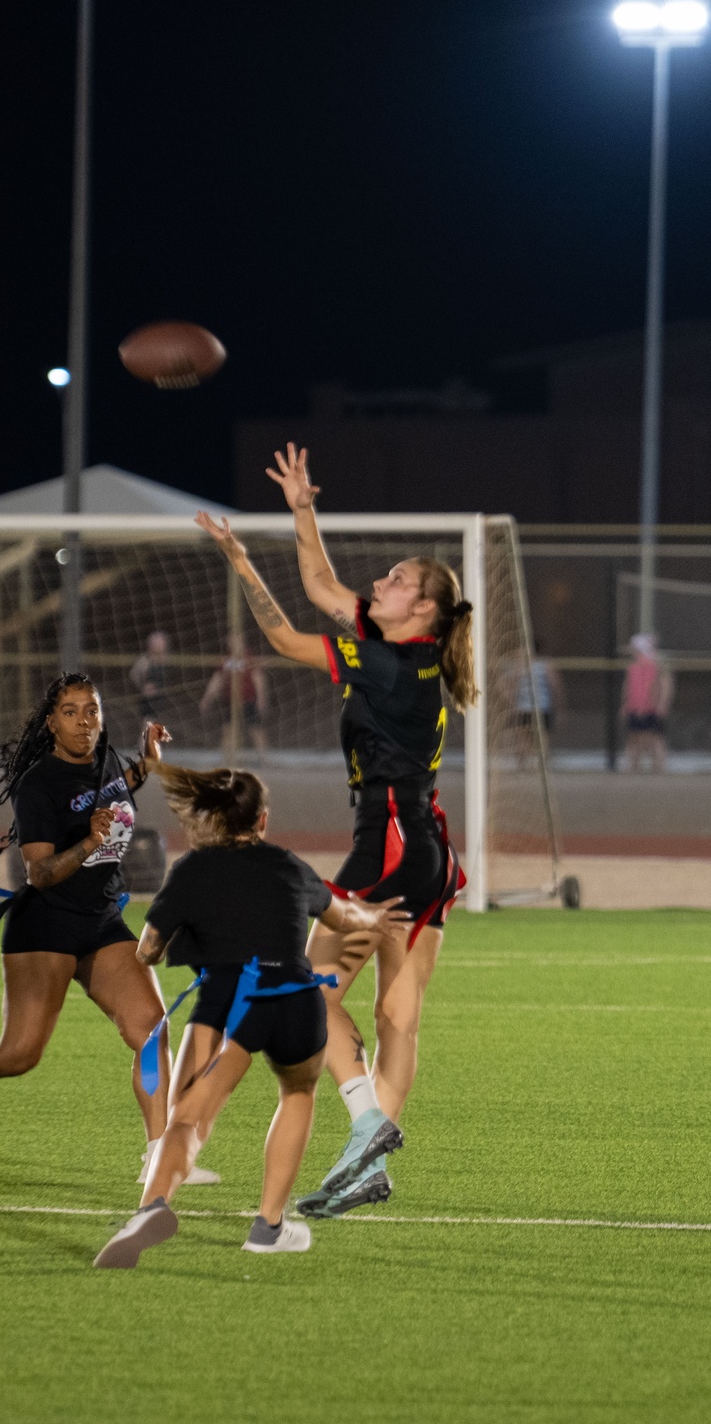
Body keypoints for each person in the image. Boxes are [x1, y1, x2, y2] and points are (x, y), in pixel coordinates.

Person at [194, 440, 478, 1218]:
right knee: (397, 1015)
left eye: (396, 580)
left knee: (298, 986)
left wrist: (241, 561)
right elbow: (320, 584)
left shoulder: (387, 664)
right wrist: (302, 508)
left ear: (421, 607)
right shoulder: (403, 646)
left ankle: (366, 1125)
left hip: (387, 842)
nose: (379, 583)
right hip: (428, 848)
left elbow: (287, 635)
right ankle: (366, 1167)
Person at [0, 671, 216, 1185]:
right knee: (18, 1055)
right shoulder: (38, 784)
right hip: (45, 924)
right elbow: (39, 872)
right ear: (52, 723)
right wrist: (88, 844)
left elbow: (125, 783)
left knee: (151, 1030)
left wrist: (148, 759)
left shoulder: (107, 761)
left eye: (92, 711)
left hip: (100, 919)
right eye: (72, 712)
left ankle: (159, 1156)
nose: (84, 722)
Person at [93, 763, 410, 1268]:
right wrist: (374, 917)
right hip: (295, 995)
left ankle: (152, 1207)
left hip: (228, 998)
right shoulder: (288, 864)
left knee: (189, 1118)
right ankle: (268, 1226)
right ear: (261, 821)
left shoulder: (191, 871)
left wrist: (181, 942)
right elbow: (342, 916)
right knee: (297, 1092)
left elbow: (148, 949)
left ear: (208, 820)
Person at [199, 631, 269, 753]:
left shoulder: (249, 657)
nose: (232, 643)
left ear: (242, 642)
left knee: (255, 729)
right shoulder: (226, 659)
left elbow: (259, 679)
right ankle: (227, 759)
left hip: (248, 699)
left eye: (235, 640)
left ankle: (264, 759)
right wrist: (207, 699)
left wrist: (261, 699)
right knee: (227, 729)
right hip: (230, 700)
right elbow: (217, 680)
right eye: (230, 640)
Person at [622, 633, 674, 774]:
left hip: (650, 708)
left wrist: (661, 704)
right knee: (634, 737)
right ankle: (634, 767)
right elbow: (628, 687)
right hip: (635, 707)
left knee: (654, 738)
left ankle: (658, 767)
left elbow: (664, 687)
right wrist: (626, 704)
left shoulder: (655, 666)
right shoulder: (634, 666)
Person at [512, 639, 563, 767]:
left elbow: (512, 685)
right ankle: (540, 763)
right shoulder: (545, 665)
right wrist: (559, 705)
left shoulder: (522, 665)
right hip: (540, 706)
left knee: (524, 738)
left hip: (526, 707)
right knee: (541, 739)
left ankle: (523, 765)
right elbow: (556, 686)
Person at [129, 630, 170, 723]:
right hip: (148, 700)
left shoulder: (163, 660)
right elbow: (133, 674)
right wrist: (143, 686)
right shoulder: (145, 660)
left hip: (159, 698)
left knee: (154, 727)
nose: (163, 645)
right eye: (160, 643)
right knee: (149, 726)